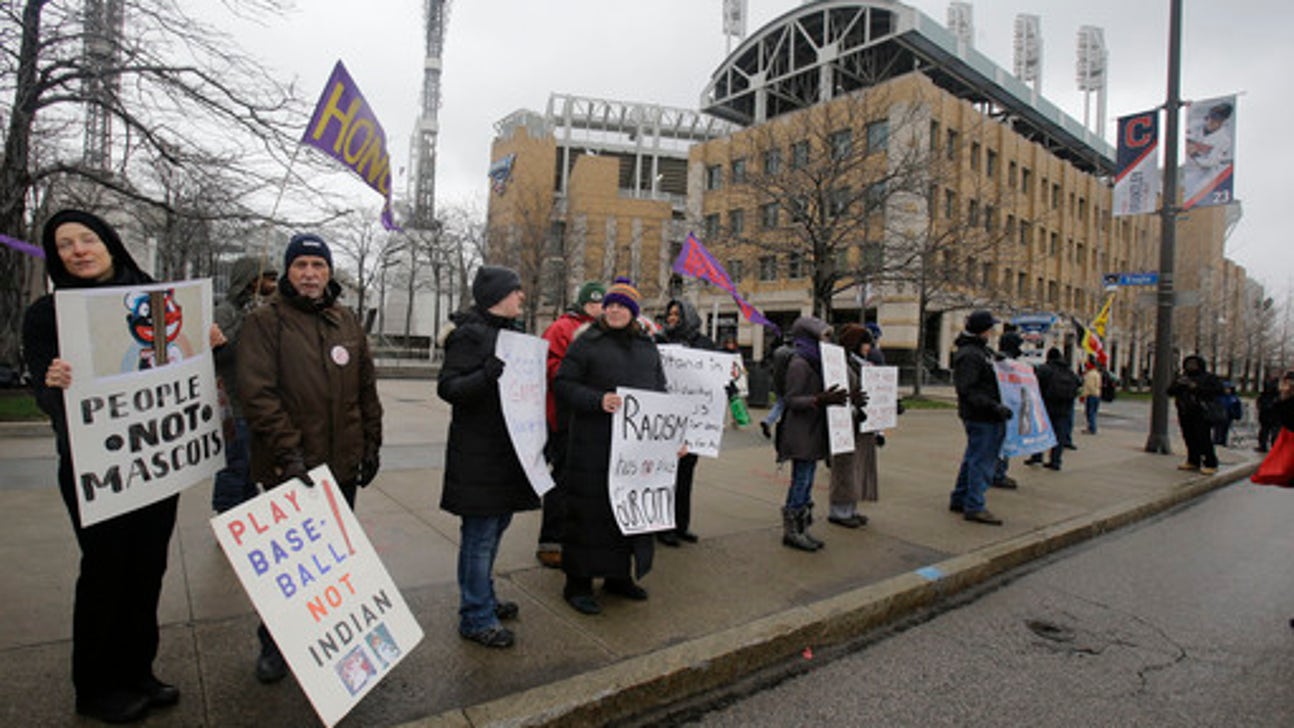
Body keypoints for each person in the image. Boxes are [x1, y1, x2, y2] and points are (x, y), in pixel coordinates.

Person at [22, 209, 192, 723]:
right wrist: (54, 384)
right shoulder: (47, 315)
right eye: (65, 244)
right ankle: (95, 686)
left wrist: (208, 348)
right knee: (105, 573)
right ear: (57, 257)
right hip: (94, 470)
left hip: (155, 464)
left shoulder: (157, 300)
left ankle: (138, 671)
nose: (78, 250)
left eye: (86, 239)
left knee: (147, 569)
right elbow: (46, 400)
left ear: (109, 243)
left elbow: (182, 368)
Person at [238, 233, 383, 677]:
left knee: (333, 564)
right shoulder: (266, 322)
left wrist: (371, 444)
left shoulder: (346, 321)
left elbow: (365, 389)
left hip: (341, 466)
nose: (309, 274)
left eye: (317, 265)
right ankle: (275, 646)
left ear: (328, 272)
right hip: (291, 469)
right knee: (291, 571)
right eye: (300, 265)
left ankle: (325, 640)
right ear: (287, 271)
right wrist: (289, 453)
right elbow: (258, 395)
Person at [436, 265, 542, 647]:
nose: (521, 296)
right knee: (479, 539)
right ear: (497, 296)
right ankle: (475, 616)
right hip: (478, 456)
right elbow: (449, 388)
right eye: (515, 291)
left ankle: (484, 598)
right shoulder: (469, 336)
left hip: (507, 454)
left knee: (494, 531)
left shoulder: (513, 337)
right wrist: (486, 375)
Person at [554, 278, 667, 614]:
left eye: (622, 306)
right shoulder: (586, 342)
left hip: (632, 450)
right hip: (592, 446)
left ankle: (618, 576)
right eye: (610, 305)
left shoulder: (646, 346)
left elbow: (660, 391)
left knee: (625, 515)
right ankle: (577, 584)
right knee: (589, 516)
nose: (615, 310)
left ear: (633, 312)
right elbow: (563, 384)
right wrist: (597, 400)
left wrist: (668, 438)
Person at [535, 280, 605, 569]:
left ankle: (575, 537)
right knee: (561, 480)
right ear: (584, 304)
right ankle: (551, 541)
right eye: (594, 303)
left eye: (601, 303)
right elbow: (547, 366)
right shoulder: (561, 328)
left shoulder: (604, 331)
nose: (599, 308)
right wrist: (579, 373)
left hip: (591, 415)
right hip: (564, 416)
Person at [775, 315, 848, 550]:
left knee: (807, 482)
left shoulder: (815, 362)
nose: (826, 342)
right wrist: (818, 399)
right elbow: (791, 399)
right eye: (822, 337)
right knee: (801, 481)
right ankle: (792, 530)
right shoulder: (800, 363)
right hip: (800, 432)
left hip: (813, 430)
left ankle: (802, 527)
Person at [210, 256, 277, 513]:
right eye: (267, 279)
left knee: (249, 468)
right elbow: (220, 354)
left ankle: (248, 513)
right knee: (234, 466)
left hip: (255, 406)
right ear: (250, 281)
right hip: (234, 406)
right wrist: (246, 323)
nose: (273, 284)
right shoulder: (226, 312)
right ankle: (228, 514)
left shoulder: (263, 310)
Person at [654, 298, 716, 547]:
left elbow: (716, 378)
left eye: (677, 314)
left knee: (686, 475)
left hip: (694, 423)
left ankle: (681, 525)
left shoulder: (705, 344)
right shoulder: (660, 341)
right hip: (666, 420)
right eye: (669, 313)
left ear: (688, 316)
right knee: (665, 476)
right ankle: (663, 527)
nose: (671, 318)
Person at [949, 310, 1013, 526]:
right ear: (983, 330)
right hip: (982, 415)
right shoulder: (971, 355)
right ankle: (975, 505)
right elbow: (968, 389)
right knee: (982, 461)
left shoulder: (978, 351)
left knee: (973, 457)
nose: (991, 332)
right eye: (989, 328)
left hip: (984, 413)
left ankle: (960, 498)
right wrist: (994, 406)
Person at [828, 324, 876, 528]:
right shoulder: (840, 364)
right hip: (846, 423)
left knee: (856, 467)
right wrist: (854, 405)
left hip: (860, 423)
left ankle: (851, 508)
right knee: (845, 467)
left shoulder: (860, 363)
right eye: (865, 343)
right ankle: (840, 511)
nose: (868, 348)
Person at [1165, 354, 1224, 475]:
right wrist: (1179, 385)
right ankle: (1193, 460)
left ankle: (1211, 463)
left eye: (1194, 364)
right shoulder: (1183, 377)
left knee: (1203, 438)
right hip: (1185, 411)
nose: (1191, 366)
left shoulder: (1208, 378)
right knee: (1189, 437)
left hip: (1201, 412)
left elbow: (1218, 391)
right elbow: (1170, 391)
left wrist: (1196, 387)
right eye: (1188, 364)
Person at [1030, 348, 1082, 471]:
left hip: (1046, 406)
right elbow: (1079, 382)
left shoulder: (1045, 369)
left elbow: (1034, 383)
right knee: (1059, 435)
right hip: (1064, 407)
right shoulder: (1068, 370)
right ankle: (1055, 461)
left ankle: (1037, 457)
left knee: (1041, 433)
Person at [992, 328, 1024, 490]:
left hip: (1002, 408)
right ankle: (998, 474)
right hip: (1003, 409)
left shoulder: (997, 360)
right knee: (1002, 444)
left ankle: (997, 472)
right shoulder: (1006, 364)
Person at [760, 337, 794, 439]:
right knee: (785, 405)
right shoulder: (793, 353)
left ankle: (768, 421)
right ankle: (783, 427)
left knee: (779, 404)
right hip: (788, 383)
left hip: (777, 382)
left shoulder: (778, 351)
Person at [721, 336, 750, 429]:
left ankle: (736, 420)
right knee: (725, 402)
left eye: (732, 343)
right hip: (726, 380)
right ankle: (724, 422)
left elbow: (740, 365)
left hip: (735, 380)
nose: (730, 345)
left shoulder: (737, 353)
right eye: (729, 343)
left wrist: (743, 372)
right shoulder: (722, 352)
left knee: (736, 401)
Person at [1256, 373, 1282, 453]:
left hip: (1273, 416)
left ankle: (1270, 447)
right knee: (1266, 432)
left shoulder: (1276, 395)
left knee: (1272, 432)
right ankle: (1265, 446)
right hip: (1268, 416)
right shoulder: (1266, 395)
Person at [1212, 382, 1243, 447]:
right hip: (1219, 416)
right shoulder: (1218, 398)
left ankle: (1223, 441)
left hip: (1228, 416)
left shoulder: (1234, 398)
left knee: (1225, 429)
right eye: (1225, 389)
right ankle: (1216, 440)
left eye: (1228, 389)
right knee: (1217, 429)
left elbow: (1237, 407)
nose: (1227, 390)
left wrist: (1237, 415)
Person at [1081, 358, 1103, 434]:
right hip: (1097, 394)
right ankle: (1091, 427)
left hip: (1091, 395)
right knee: (1093, 412)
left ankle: (1092, 428)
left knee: (1090, 412)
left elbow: (1088, 386)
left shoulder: (1090, 374)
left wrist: (1083, 395)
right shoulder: (1097, 373)